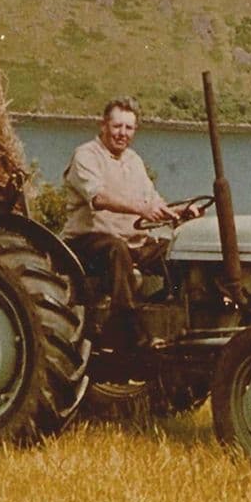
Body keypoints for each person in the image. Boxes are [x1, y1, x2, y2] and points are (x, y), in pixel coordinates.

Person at [61, 96, 192, 346]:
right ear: (104, 126)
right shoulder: (86, 155)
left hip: (132, 243)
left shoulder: (134, 161)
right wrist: (140, 209)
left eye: (128, 128)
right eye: (117, 126)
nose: (122, 133)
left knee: (177, 254)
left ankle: (175, 321)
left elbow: (154, 201)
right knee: (116, 249)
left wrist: (184, 210)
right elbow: (98, 197)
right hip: (87, 242)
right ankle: (126, 325)